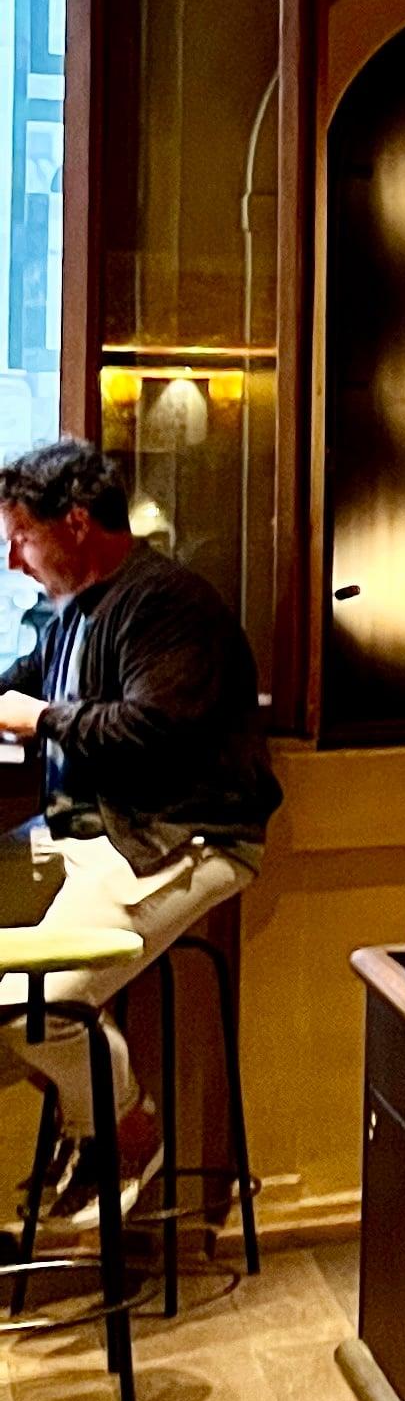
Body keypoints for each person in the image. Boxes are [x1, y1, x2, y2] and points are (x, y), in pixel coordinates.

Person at [0, 438, 282, 1216]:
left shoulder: (169, 603)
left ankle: (124, 1130)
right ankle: (87, 1119)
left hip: (183, 833)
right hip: (94, 835)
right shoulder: (72, 612)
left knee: (39, 1004)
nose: (15, 561)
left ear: (78, 522)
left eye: (22, 538)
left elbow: (156, 727)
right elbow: (19, 689)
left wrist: (43, 720)